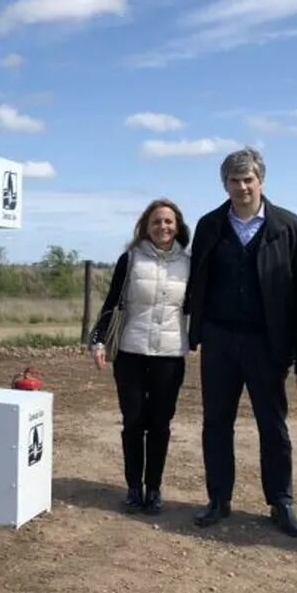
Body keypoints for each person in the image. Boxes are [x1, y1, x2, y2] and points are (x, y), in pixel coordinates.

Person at [186, 147, 297, 536]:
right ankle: (218, 499)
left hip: (266, 342)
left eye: (248, 179)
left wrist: (296, 348)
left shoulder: (289, 226)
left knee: (273, 425)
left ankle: (281, 502)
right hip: (220, 339)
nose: (242, 187)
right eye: (234, 181)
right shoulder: (209, 225)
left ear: (261, 181)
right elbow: (197, 279)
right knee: (216, 423)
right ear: (224, 184)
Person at [89, 198, 190, 515]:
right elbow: (112, 301)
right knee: (133, 422)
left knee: (160, 424)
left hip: (170, 356)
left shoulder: (189, 263)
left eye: (169, 222)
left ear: (178, 226)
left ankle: (154, 489)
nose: (163, 227)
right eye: (157, 222)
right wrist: (98, 340)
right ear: (146, 227)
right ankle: (134, 488)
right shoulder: (130, 259)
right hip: (131, 353)